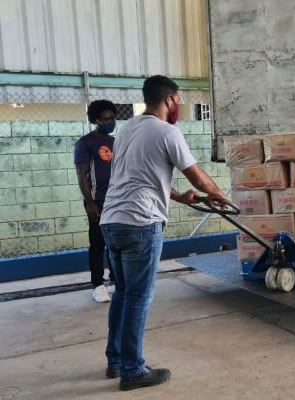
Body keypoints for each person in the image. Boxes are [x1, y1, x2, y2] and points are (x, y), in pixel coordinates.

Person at [100, 75, 228, 391]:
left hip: (112, 221)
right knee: (138, 298)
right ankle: (133, 371)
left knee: (122, 293)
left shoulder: (127, 129)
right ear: (170, 99)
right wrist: (220, 195)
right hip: (141, 223)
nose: (178, 106)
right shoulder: (167, 132)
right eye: (178, 100)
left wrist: (179, 197)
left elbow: (138, 177)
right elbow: (197, 176)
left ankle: (116, 361)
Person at [74, 100, 118, 303]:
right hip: (97, 201)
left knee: (115, 243)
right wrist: (90, 203)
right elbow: (82, 175)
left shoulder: (116, 142)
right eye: (106, 119)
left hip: (116, 200)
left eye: (112, 118)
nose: (110, 122)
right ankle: (98, 285)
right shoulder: (85, 143)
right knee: (98, 244)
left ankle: (116, 280)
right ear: (96, 120)